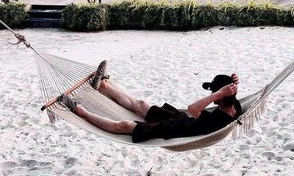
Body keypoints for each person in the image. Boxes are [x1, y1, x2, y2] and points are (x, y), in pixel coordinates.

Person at [58, 61, 242, 143]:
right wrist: (233, 81)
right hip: (182, 119)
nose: (212, 94)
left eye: (213, 92)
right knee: (141, 104)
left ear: (220, 96)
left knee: (124, 125)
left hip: (174, 130)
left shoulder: (218, 119)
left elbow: (193, 109)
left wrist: (217, 94)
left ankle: (79, 110)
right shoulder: (236, 106)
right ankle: (103, 86)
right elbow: (196, 111)